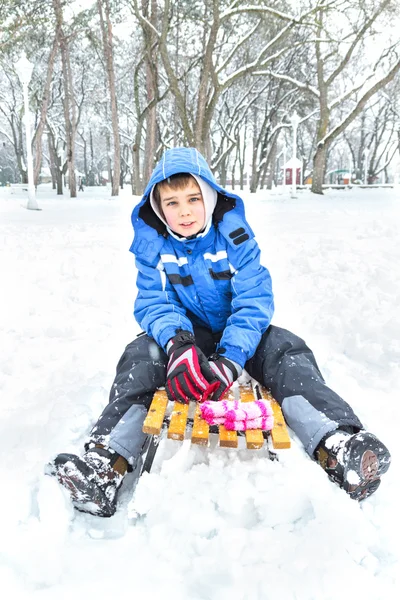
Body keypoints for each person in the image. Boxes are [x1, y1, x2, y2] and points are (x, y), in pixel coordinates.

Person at [49, 147, 391, 517]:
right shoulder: (154, 246)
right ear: (159, 208)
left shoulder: (235, 238)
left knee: (286, 349)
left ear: (209, 197)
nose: (184, 211)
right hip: (187, 334)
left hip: (239, 331)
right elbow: (153, 302)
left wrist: (230, 359)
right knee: (140, 356)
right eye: (172, 202)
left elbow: (253, 300)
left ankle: (338, 445)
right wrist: (178, 344)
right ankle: (105, 465)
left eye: (193, 198)